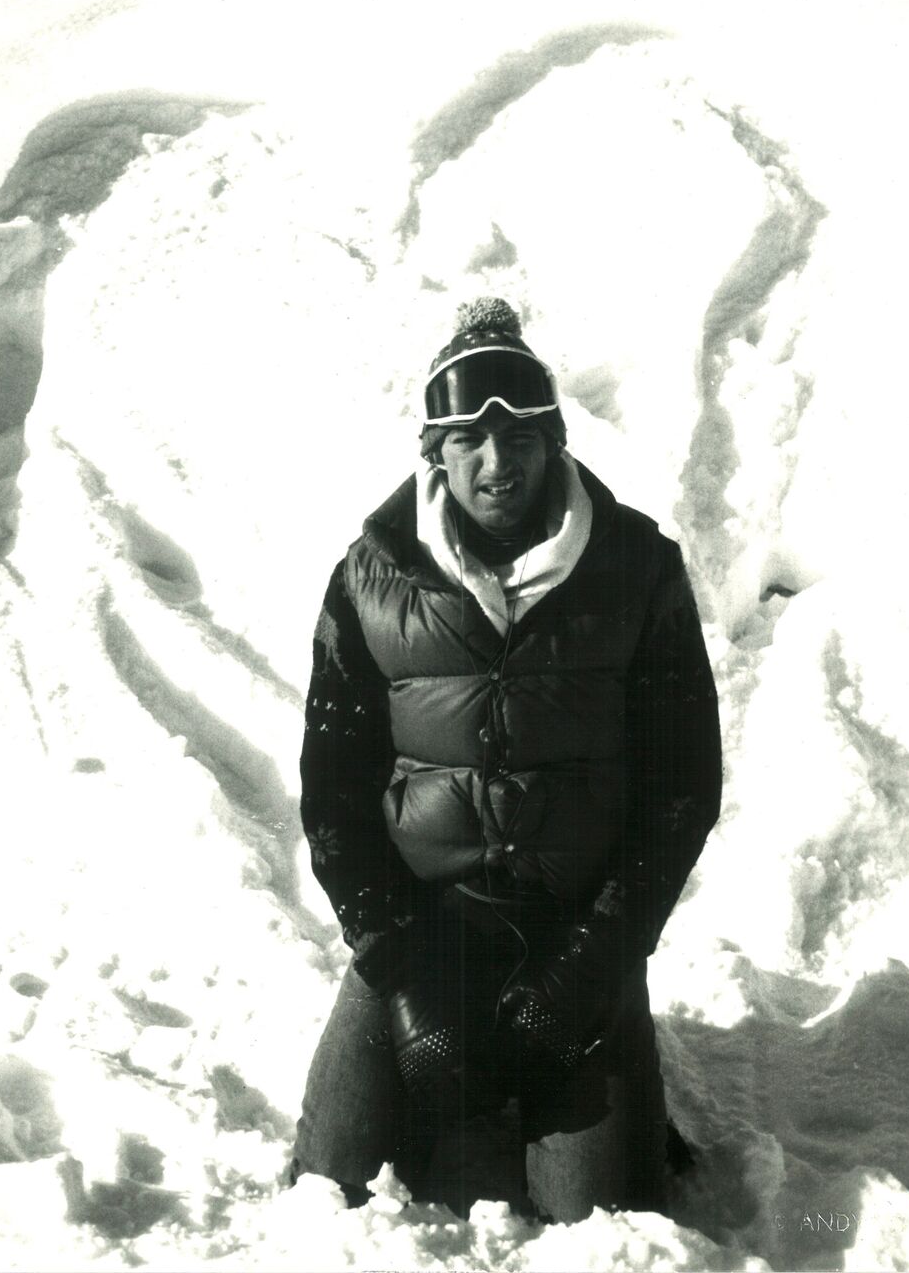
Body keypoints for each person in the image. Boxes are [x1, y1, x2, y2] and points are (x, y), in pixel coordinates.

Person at [290, 296, 722, 1222]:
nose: (497, 461)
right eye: (468, 439)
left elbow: (682, 787)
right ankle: (452, 1082)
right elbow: (333, 793)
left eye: (520, 433)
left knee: (602, 1225)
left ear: (553, 439)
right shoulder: (369, 579)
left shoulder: (637, 568)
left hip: (579, 934)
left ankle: (594, 1089)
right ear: (435, 452)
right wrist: (400, 971)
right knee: (331, 1189)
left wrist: (597, 956)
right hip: (424, 927)